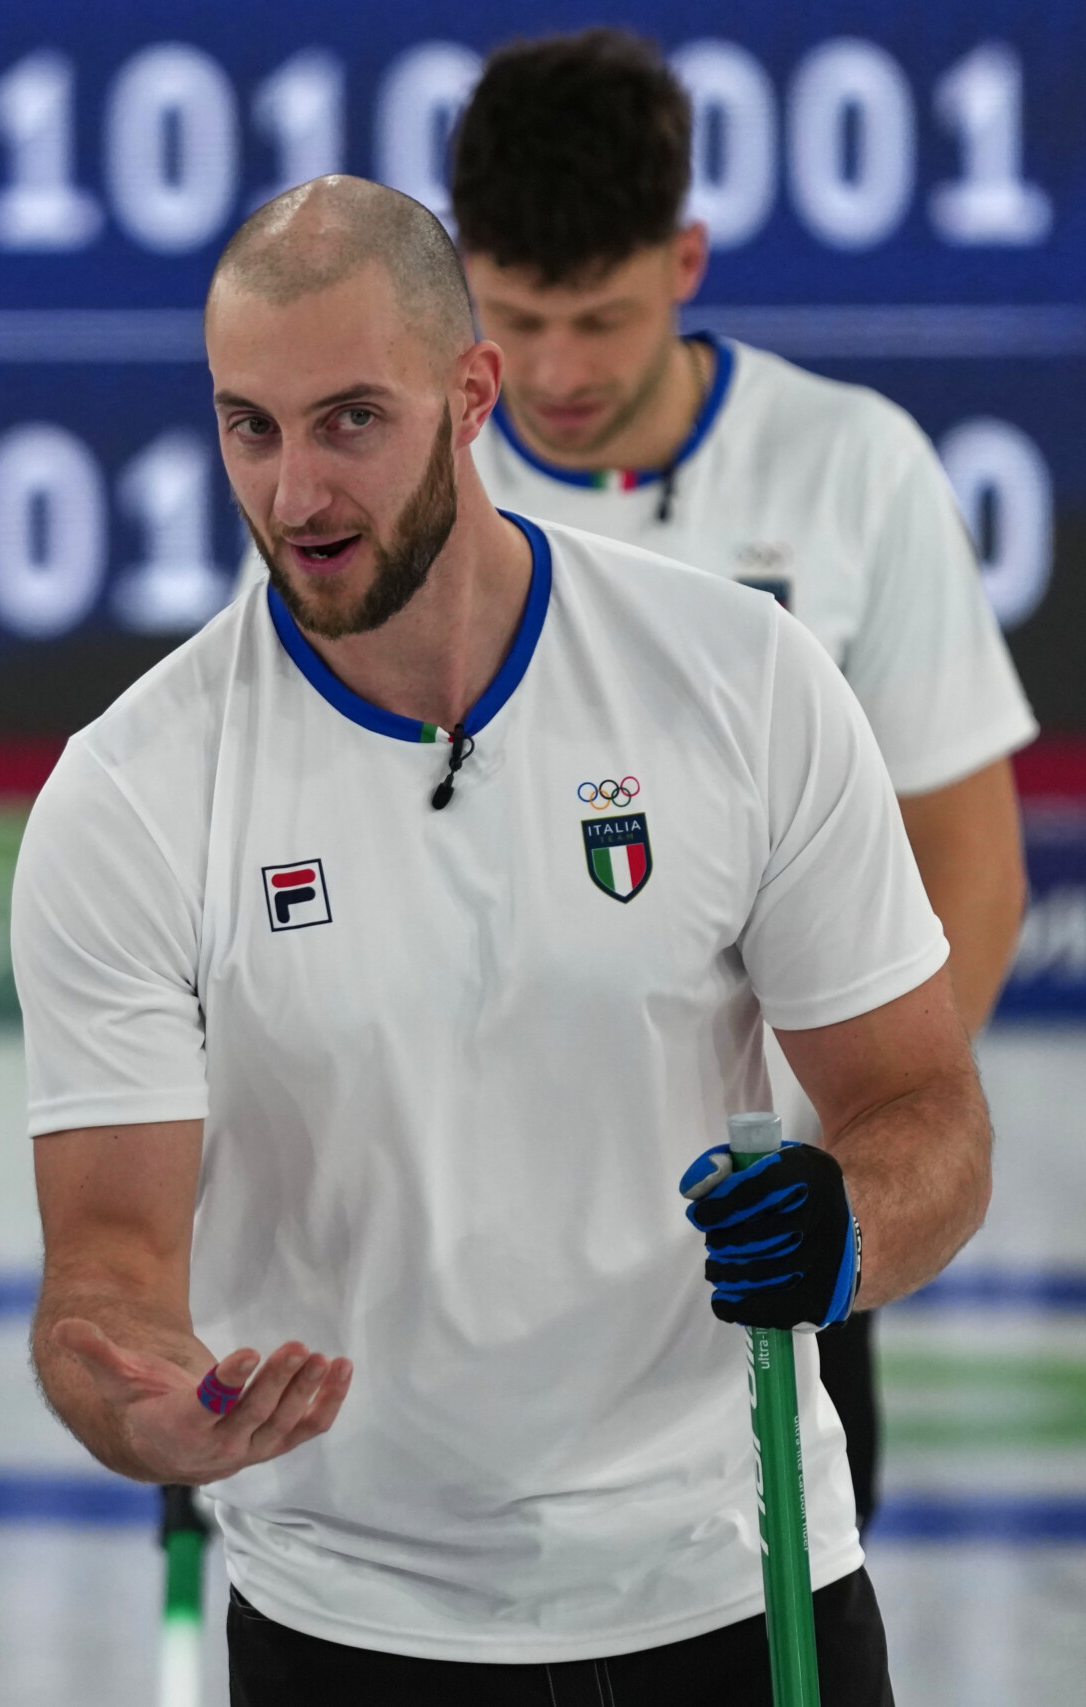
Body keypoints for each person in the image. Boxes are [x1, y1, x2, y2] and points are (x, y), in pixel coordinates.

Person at [18, 176, 990, 1704]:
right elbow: (104, 1266)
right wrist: (153, 1410)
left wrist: (845, 1223)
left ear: (472, 396)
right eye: (247, 428)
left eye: (350, 420)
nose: (293, 496)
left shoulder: (741, 681)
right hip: (355, 1623)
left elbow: (928, 1113)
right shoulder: (132, 793)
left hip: (736, 1580)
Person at [450, 29, 1037, 1527]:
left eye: (604, 316)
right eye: (520, 318)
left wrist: (862, 1154)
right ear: (456, 282)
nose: (561, 373)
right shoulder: (405, 496)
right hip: (479, 1229)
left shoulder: (854, 469)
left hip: (776, 1221)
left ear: (688, 259)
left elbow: (969, 865)